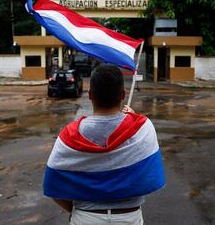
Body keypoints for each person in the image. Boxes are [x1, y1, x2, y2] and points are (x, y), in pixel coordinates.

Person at [43, 64, 165, 224]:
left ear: (90, 95)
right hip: (129, 219)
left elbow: (53, 184)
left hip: (85, 218)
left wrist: (78, 212)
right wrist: (134, 120)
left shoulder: (69, 135)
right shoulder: (142, 128)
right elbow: (151, 175)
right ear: (123, 94)